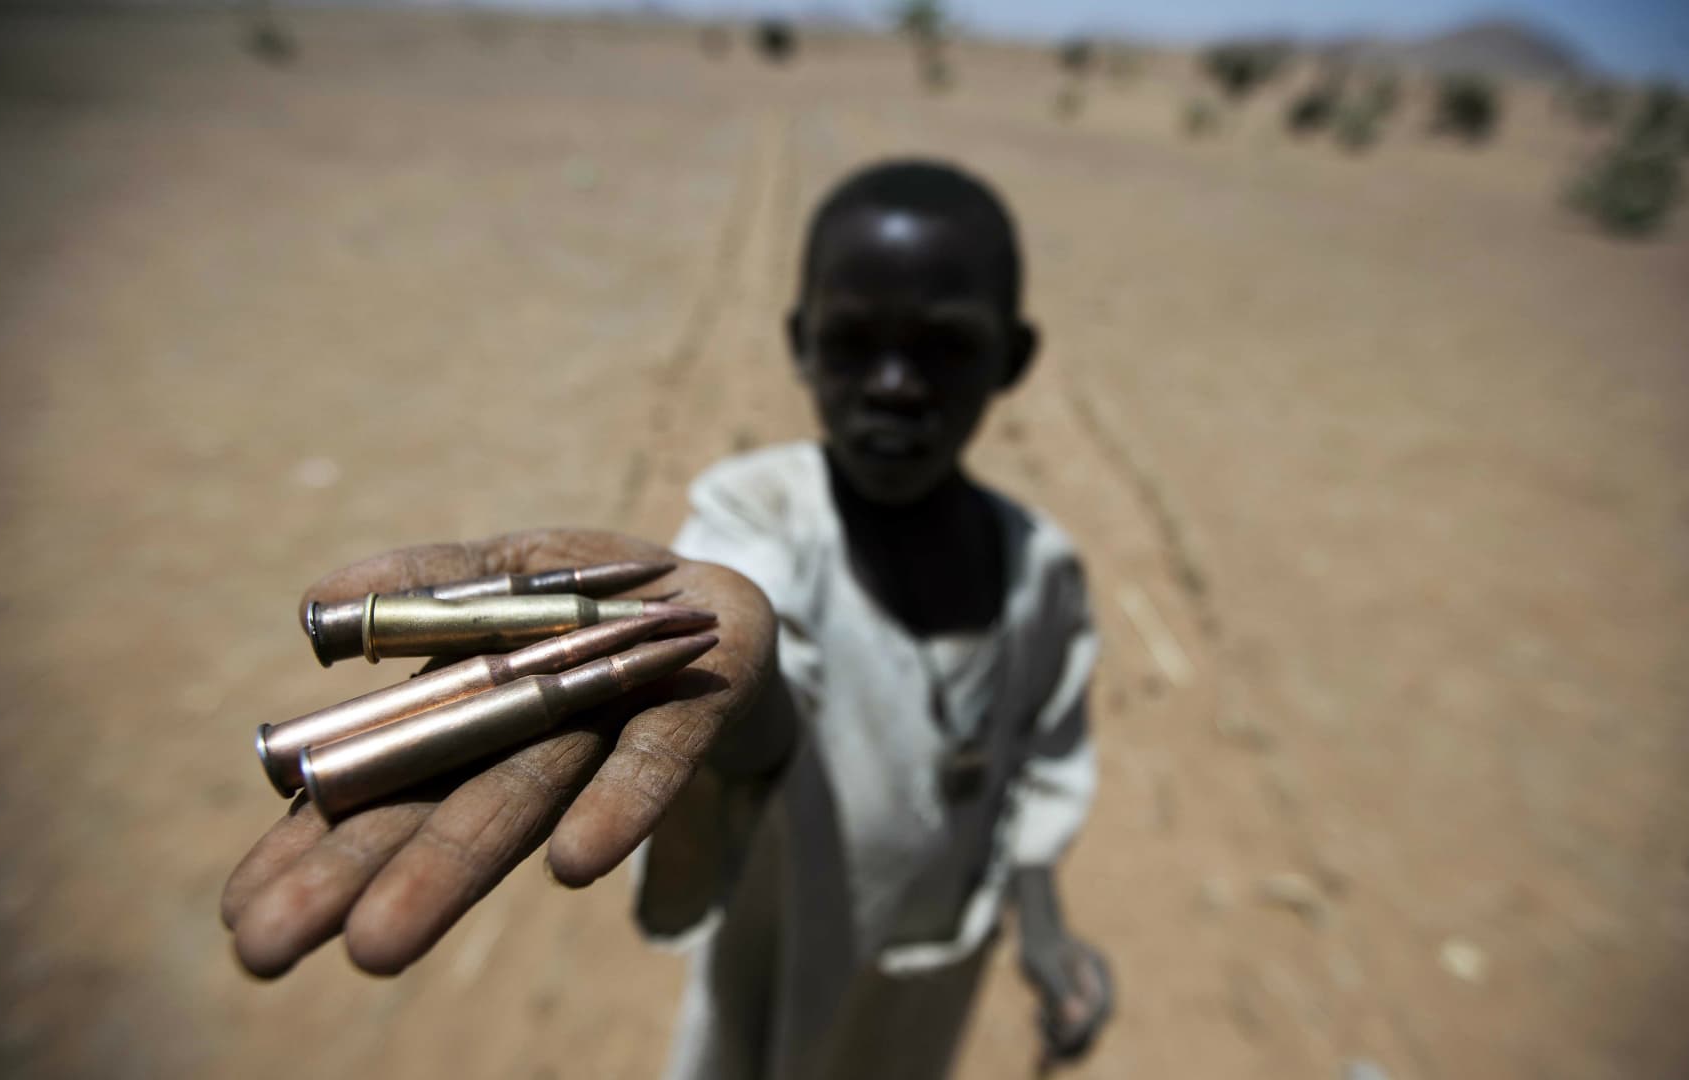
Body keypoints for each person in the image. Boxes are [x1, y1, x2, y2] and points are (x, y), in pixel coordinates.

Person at [220, 159, 1111, 1078]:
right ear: (803, 344)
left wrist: (1041, 928)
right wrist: (739, 677)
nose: (893, 383)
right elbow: (742, 639)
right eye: (854, 342)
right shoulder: (756, 511)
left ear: (1014, 358)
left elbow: (1045, 763)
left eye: (945, 347)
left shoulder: (1042, 570)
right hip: (777, 967)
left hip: (932, 988)